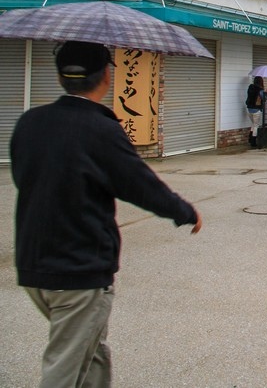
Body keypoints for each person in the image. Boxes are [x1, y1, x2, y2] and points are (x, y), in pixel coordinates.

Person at [9, 40, 202, 388]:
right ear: (107, 76)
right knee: (64, 369)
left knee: (91, 349)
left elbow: (23, 176)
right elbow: (139, 184)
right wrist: (184, 211)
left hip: (33, 262)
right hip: (78, 269)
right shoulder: (100, 129)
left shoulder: (29, 122)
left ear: (59, 77)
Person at [245, 76, 265, 148]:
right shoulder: (260, 90)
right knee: (256, 125)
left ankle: (250, 138)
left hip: (249, 109)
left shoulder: (250, 87)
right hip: (257, 109)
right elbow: (264, 98)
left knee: (253, 124)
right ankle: (253, 141)